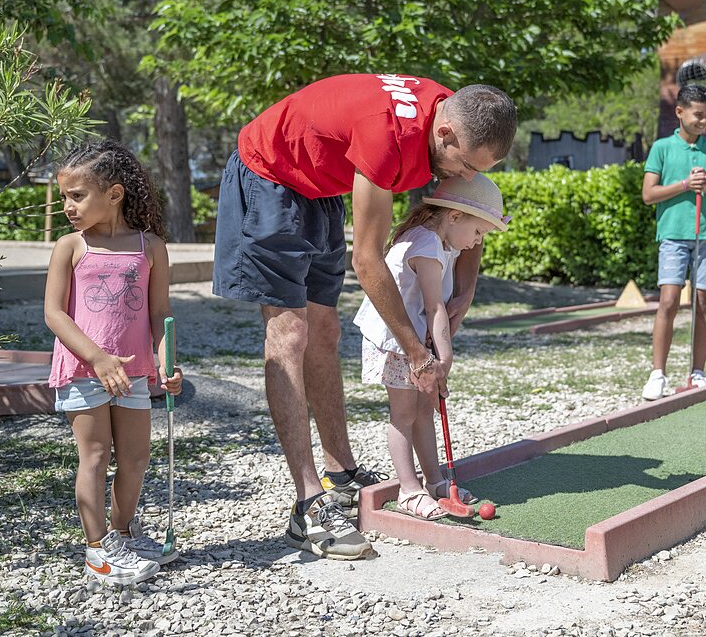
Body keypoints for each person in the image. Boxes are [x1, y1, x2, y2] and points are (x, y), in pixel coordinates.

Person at [213, 74, 516, 559]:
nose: (463, 177)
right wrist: (416, 354)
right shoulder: (386, 137)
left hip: (319, 189)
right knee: (290, 332)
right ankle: (308, 504)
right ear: (445, 133)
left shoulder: (454, 114)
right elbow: (368, 261)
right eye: (463, 165)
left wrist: (467, 287)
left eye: (475, 170)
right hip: (270, 175)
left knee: (325, 329)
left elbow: (470, 204)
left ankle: (340, 472)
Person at [44, 139, 183, 587]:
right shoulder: (70, 246)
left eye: (77, 195)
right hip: (85, 370)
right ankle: (98, 550)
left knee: (137, 458)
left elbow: (159, 313)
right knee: (96, 455)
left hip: (134, 372)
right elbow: (54, 314)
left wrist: (168, 362)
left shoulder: (151, 247)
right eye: (65, 196)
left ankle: (123, 535)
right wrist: (98, 358)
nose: (68, 206)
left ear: (115, 194)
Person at [356, 175, 509, 520]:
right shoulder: (426, 244)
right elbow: (434, 306)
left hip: (414, 338)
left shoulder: (442, 242)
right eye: (478, 232)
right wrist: (445, 357)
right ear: (455, 216)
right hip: (394, 342)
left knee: (425, 410)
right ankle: (408, 490)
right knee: (404, 415)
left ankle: (436, 481)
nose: (477, 242)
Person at [640, 83, 706, 401]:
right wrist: (684, 184)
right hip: (673, 234)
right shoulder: (662, 148)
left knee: (703, 301)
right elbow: (649, 194)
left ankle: (698, 372)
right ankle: (657, 374)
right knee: (668, 301)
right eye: (698, 115)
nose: (703, 121)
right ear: (680, 112)